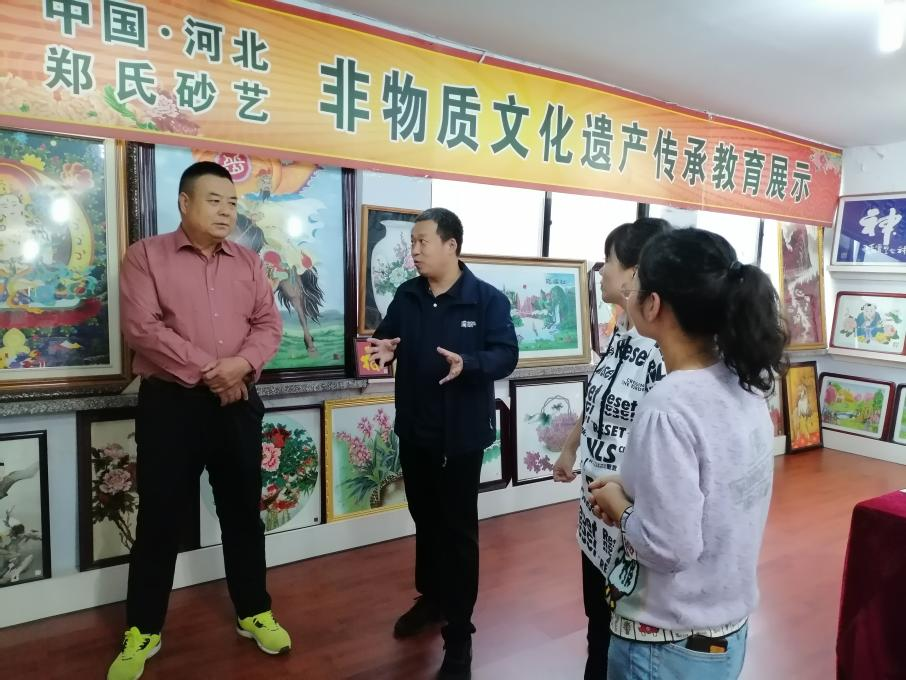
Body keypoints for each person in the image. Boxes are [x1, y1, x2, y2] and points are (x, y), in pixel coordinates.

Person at [108, 162, 288, 680]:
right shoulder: (146, 256)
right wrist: (215, 372)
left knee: (243, 513)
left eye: (232, 203)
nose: (226, 211)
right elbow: (142, 329)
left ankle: (253, 611)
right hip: (172, 406)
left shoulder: (249, 263)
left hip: (238, 402)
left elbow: (268, 324)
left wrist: (242, 365)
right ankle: (143, 629)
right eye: (214, 200)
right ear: (184, 203)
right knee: (160, 518)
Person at [589, 228, 786, 680]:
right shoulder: (743, 382)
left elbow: (670, 548)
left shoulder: (669, 406)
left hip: (665, 643)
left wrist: (619, 506)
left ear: (653, 305)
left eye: (637, 285)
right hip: (723, 629)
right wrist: (631, 487)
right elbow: (711, 493)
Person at [366, 207, 519, 679]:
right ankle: (431, 600)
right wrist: (383, 347)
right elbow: (386, 337)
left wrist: (469, 363)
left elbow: (506, 356)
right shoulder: (407, 294)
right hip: (416, 433)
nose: (413, 251)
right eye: (412, 243)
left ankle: (459, 635)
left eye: (422, 242)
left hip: (461, 439)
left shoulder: (486, 300)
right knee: (426, 522)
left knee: (457, 534)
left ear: (451, 245)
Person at [551, 218, 671, 680]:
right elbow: (600, 396)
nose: (601, 270)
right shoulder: (621, 329)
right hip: (596, 510)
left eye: (609, 260)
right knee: (597, 619)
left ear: (635, 273)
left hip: (628, 515)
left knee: (621, 623)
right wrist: (570, 449)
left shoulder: (663, 350)